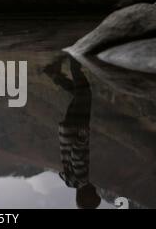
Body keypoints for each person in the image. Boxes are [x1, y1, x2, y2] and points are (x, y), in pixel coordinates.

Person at [44, 57, 101, 209]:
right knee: (79, 95)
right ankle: (54, 74)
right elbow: (65, 169)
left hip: (76, 130)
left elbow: (77, 156)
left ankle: (75, 64)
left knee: (84, 93)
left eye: (95, 195)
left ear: (88, 195)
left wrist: (82, 137)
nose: (97, 192)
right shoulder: (71, 181)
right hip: (67, 132)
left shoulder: (82, 179)